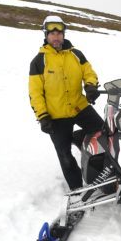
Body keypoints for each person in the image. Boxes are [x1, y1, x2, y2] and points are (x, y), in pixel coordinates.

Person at [28, 15, 104, 190]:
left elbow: (89, 72)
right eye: (52, 33)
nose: (56, 37)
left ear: (63, 35)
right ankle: (77, 191)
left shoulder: (76, 54)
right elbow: (35, 92)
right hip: (56, 115)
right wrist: (42, 116)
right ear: (46, 35)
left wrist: (91, 86)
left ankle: (80, 141)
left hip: (80, 106)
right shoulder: (39, 61)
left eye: (59, 33)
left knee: (104, 134)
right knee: (65, 156)